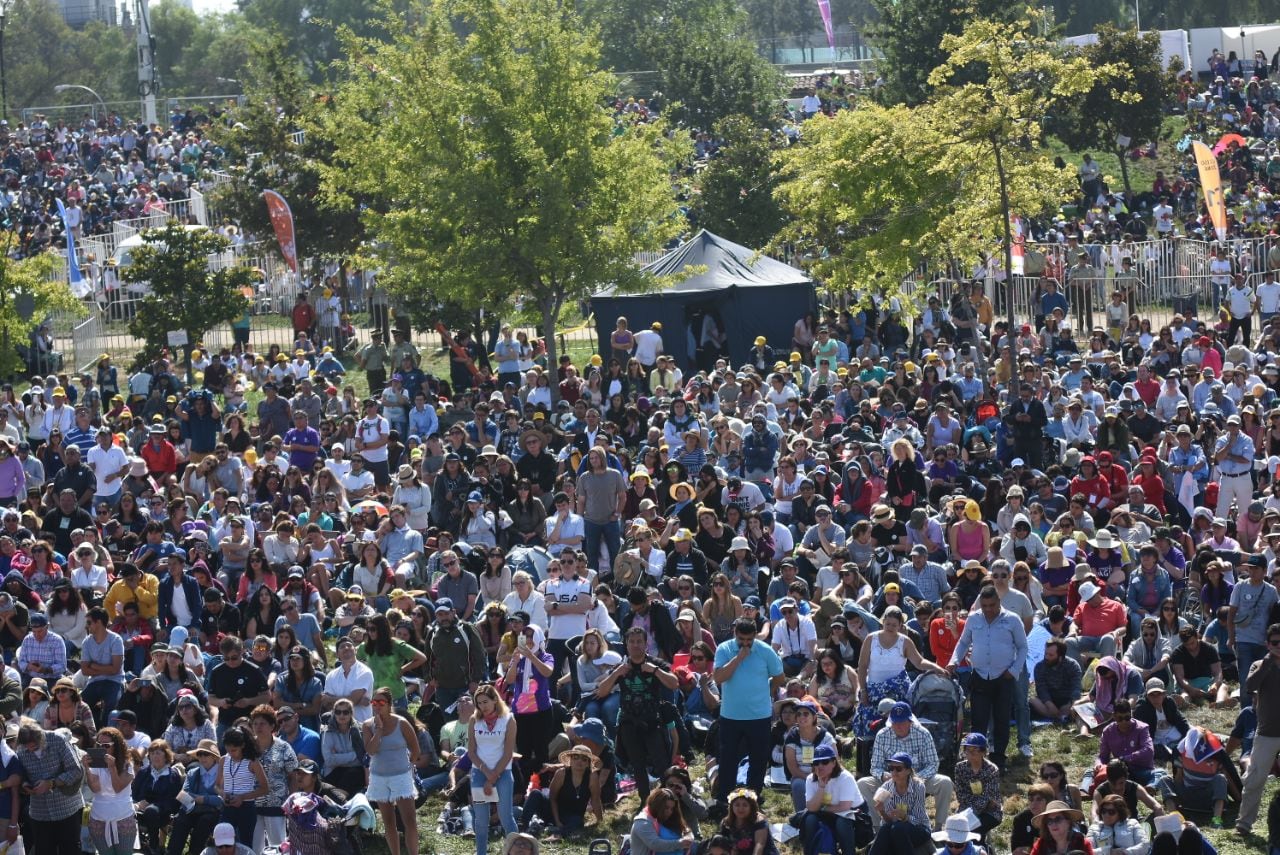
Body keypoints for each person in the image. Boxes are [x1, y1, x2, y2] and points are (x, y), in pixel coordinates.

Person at [947, 585, 1028, 769]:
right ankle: (977, 759)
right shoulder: (973, 618)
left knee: (1002, 719)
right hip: (980, 675)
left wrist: (1014, 670)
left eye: (992, 605)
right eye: (985, 605)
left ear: (999, 602)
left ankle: (999, 757)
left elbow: (1023, 647)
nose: (988, 609)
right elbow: (963, 641)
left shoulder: (1013, 619)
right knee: (978, 719)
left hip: (1004, 676)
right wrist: (954, 661)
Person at [596, 625, 679, 805]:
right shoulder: (622, 667)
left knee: (662, 763)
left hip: (652, 721)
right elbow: (601, 692)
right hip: (629, 722)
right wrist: (616, 673)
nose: (635, 645)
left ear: (646, 644)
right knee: (637, 765)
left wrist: (655, 671)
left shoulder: (655, 664)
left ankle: (667, 800)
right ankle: (644, 801)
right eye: (631, 642)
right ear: (626, 644)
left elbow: (674, 684)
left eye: (639, 642)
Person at [711, 616, 784, 810]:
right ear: (735, 634)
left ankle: (753, 795)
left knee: (758, 758)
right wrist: (738, 658)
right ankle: (724, 796)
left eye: (749, 640)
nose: (745, 644)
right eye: (741, 640)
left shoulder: (765, 650)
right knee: (728, 758)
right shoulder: (724, 649)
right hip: (731, 716)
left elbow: (779, 676)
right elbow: (718, 677)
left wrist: (768, 692)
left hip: (759, 716)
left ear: (754, 636)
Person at [857, 700, 954, 832]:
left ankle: (938, 828)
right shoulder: (882, 735)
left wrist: (916, 778)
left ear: (910, 721)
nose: (898, 726)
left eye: (902, 722)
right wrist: (884, 776)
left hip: (919, 779)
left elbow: (933, 763)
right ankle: (877, 829)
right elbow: (874, 766)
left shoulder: (923, 734)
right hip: (890, 780)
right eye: (895, 722)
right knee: (863, 784)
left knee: (945, 782)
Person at [363, 686, 420, 855]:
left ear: (389, 704)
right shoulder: (367, 726)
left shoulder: (401, 723)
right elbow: (371, 751)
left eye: (381, 702)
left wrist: (407, 767)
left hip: (401, 776)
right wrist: (379, 730)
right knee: (388, 821)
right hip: (379, 777)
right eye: (374, 702)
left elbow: (416, 749)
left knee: (409, 820)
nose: (377, 705)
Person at [16, 718, 84, 855]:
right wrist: (25, 785)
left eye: (33, 744)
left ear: (40, 736)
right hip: (39, 813)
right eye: (26, 746)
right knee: (44, 851)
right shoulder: (21, 749)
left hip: (67, 808)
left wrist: (52, 783)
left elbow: (76, 770)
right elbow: (21, 775)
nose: (29, 748)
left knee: (70, 850)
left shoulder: (57, 740)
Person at [1236, 622, 1280, 835]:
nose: (1279, 646)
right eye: (1275, 642)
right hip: (1267, 731)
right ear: (1267, 644)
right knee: (1255, 779)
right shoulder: (1259, 664)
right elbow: (1249, 687)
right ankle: (1244, 824)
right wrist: (1267, 664)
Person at [468, 683, 519, 855]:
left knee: (506, 817)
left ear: (495, 700)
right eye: (479, 703)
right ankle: (481, 852)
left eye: (485, 702)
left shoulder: (509, 719)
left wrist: (493, 776)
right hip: (479, 772)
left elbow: (508, 752)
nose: (483, 707)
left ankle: (517, 851)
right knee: (481, 819)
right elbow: (472, 752)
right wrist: (486, 773)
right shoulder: (474, 720)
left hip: (502, 772)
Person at [798, 744, 867, 855]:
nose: (820, 766)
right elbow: (811, 808)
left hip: (854, 814)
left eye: (825, 762)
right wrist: (821, 787)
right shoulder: (811, 779)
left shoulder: (845, 778)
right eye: (816, 763)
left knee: (842, 822)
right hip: (828, 813)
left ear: (834, 763)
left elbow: (844, 807)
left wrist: (823, 808)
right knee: (810, 819)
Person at [85, 726, 137, 855]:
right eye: (99, 744)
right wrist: (86, 768)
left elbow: (117, 788)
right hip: (99, 818)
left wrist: (112, 768)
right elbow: (95, 788)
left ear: (116, 746)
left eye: (106, 745)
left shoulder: (127, 764)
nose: (103, 748)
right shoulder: (96, 764)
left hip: (123, 818)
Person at [869, 751, 933, 855]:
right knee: (886, 829)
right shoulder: (886, 787)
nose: (894, 772)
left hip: (919, 829)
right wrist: (882, 812)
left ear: (908, 770)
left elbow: (919, 819)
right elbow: (888, 822)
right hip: (896, 830)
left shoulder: (918, 786)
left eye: (898, 769)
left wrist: (904, 817)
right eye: (891, 768)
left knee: (898, 827)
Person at [953, 732, 1002, 838]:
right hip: (966, 810)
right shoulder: (960, 768)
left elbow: (989, 797)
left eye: (975, 750)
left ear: (983, 752)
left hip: (991, 812)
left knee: (972, 832)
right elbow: (960, 794)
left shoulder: (992, 770)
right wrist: (969, 812)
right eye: (968, 749)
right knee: (953, 831)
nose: (970, 753)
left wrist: (974, 809)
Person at [628, 789, 695, 855]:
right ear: (657, 805)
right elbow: (655, 844)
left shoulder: (663, 816)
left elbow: (685, 828)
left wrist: (689, 837)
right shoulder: (643, 822)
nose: (669, 812)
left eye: (671, 809)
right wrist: (680, 843)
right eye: (666, 807)